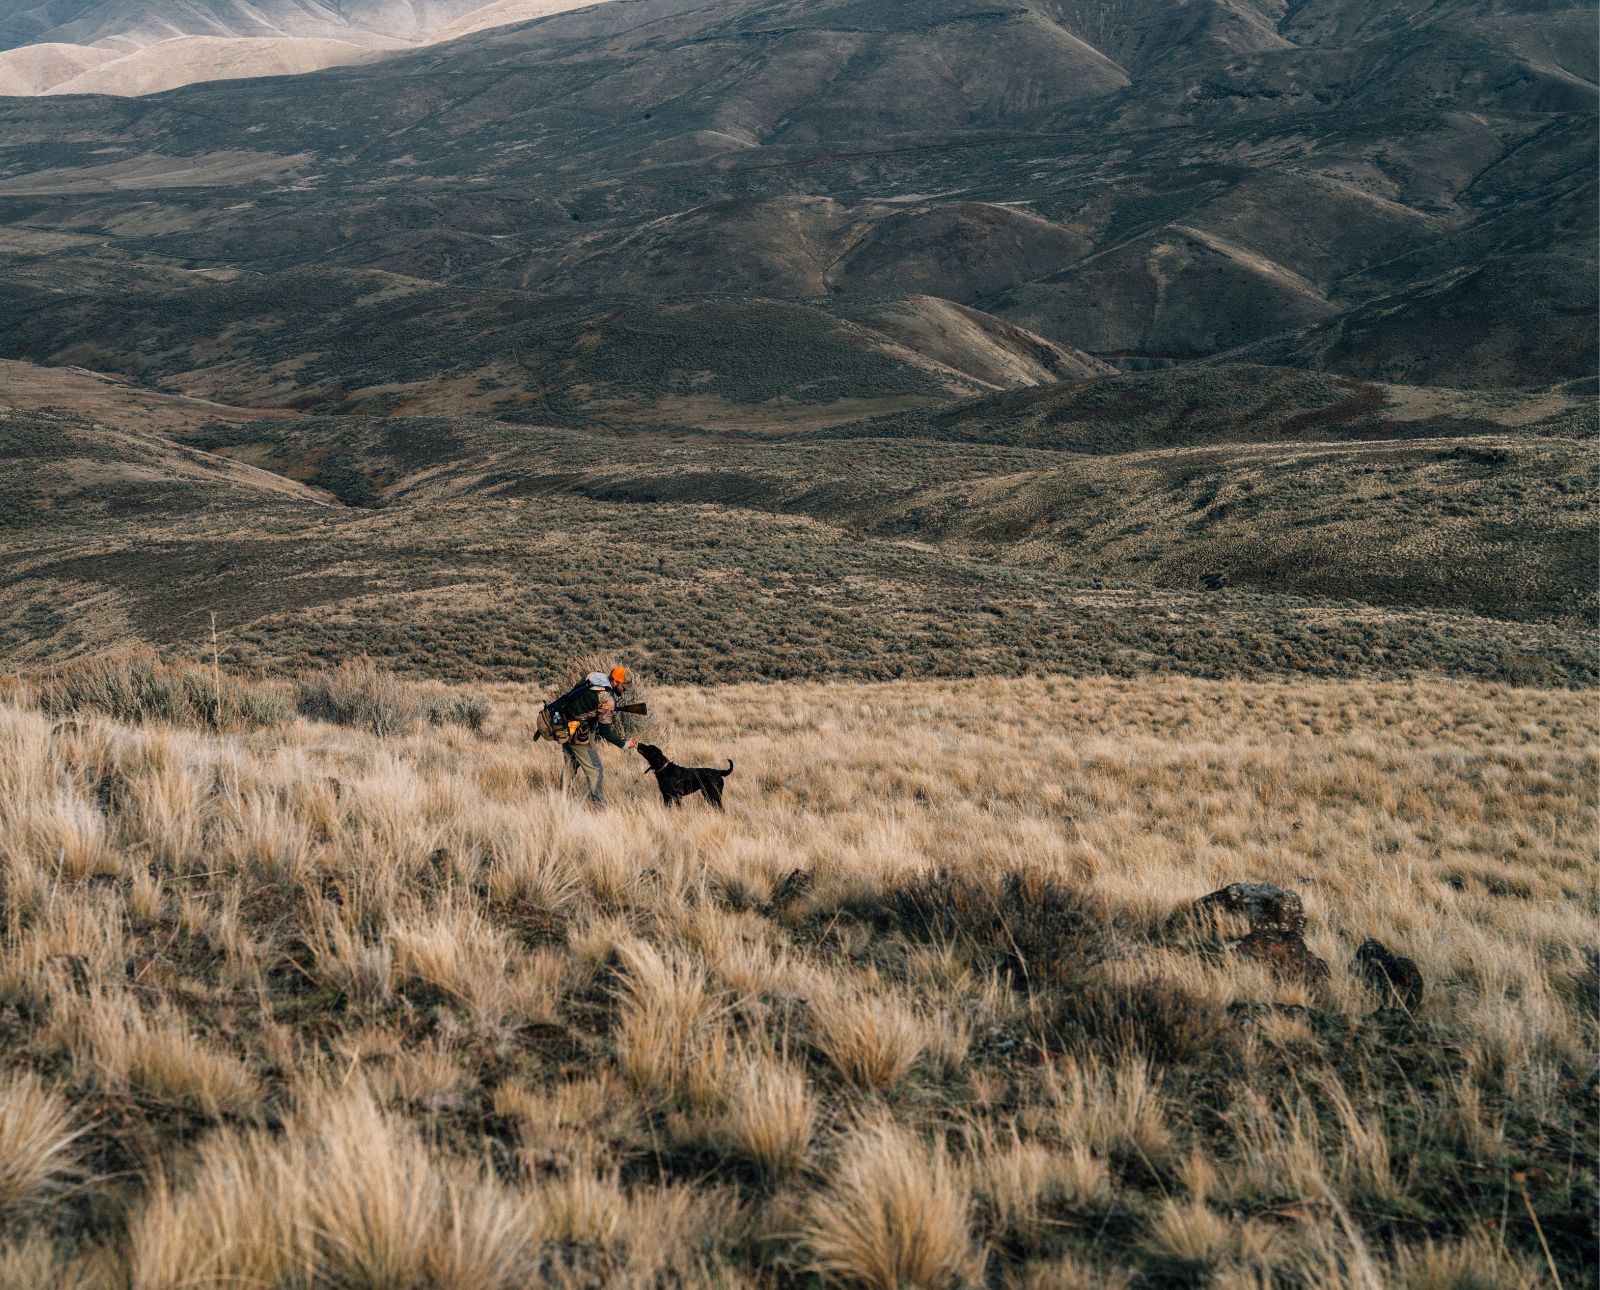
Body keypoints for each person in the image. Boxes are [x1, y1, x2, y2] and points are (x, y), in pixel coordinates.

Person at [539, 666, 637, 807]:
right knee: (595, 768)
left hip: (564, 726)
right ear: (615, 682)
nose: (625, 690)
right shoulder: (607, 699)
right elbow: (605, 732)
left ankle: (562, 798)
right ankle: (598, 807)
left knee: (571, 764)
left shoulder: (593, 677)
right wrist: (624, 744)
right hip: (578, 733)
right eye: (624, 686)